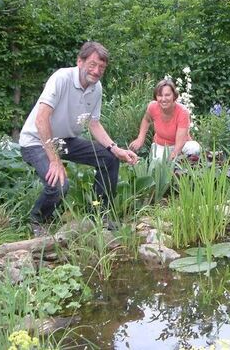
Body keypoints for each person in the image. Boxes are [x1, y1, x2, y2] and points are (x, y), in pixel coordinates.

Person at [19, 41, 138, 235]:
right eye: (93, 64)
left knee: (109, 159)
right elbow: (41, 120)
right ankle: (36, 220)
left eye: (102, 67)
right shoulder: (61, 78)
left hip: (65, 140)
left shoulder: (96, 88)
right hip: (36, 141)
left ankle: (99, 214)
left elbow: (93, 124)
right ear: (80, 62)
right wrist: (55, 160)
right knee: (58, 184)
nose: (97, 70)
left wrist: (115, 149)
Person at [129, 79, 200, 161]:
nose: (163, 99)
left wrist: (170, 160)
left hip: (180, 146)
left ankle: (187, 167)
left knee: (194, 148)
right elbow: (146, 120)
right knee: (157, 165)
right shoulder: (152, 107)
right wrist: (140, 138)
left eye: (167, 95)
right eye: (160, 95)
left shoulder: (183, 112)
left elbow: (178, 146)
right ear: (156, 97)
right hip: (160, 146)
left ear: (174, 95)